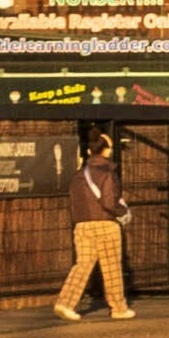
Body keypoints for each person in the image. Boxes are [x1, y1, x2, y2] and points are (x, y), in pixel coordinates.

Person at [52, 130, 132, 322]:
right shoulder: (107, 173)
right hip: (105, 224)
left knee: (82, 265)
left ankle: (65, 302)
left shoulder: (79, 175)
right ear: (106, 151)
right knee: (111, 268)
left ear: (89, 151)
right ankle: (119, 308)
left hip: (82, 225)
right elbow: (109, 202)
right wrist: (123, 211)